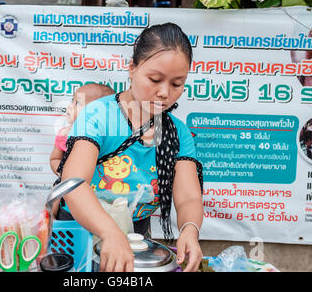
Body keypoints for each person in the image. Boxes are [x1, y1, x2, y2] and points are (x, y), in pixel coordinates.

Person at [54, 22, 204, 272]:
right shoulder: (98, 116)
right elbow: (74, 183)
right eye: (155, 79)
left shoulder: (179, 133)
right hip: (79, 230)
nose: (165, 92)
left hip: (136, 234)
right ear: (132, 68)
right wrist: (110, 233)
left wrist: (190, 228)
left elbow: (188, 196)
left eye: (177, 84)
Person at [50, 83, 115, 176]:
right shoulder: (64, 134)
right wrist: (64, 174)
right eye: (72, 101)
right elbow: (55, 159)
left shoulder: (112, 136)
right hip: (75, 185)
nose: (69, 106)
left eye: (77, 103)